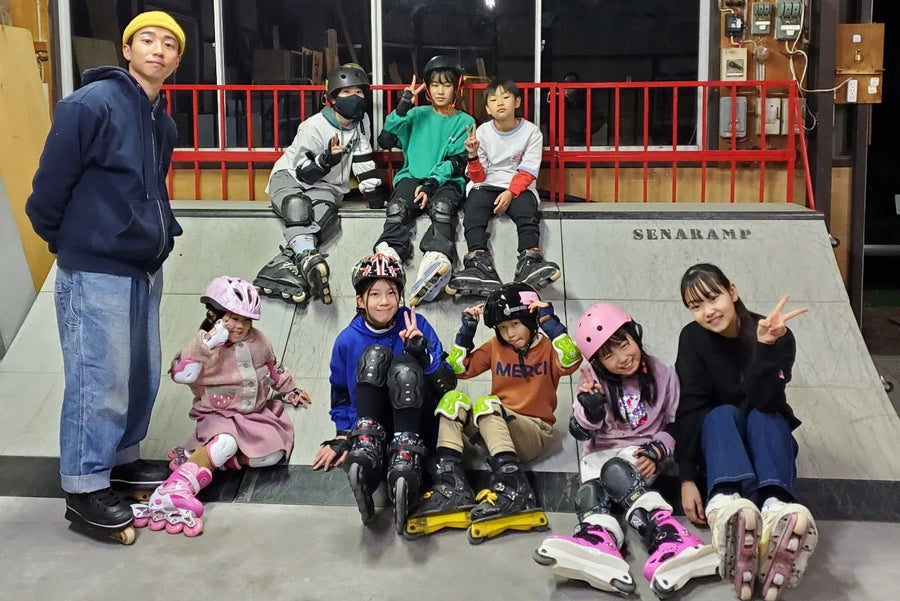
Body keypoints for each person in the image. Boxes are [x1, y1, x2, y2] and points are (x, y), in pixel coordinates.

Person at [25, 10, 186, 544]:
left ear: (177, 60)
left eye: (170, 44)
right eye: (147, 40)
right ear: (126, 49)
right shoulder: (90, 105)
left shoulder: (162, 120)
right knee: (101, 379)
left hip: (143, 268)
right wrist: (73, 243)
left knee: (138, 373)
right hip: (96, 267)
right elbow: (48, 192)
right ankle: (84, 484)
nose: (158, 50)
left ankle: (118, 462)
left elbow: (150, 193)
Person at [534, 304, 717, 596]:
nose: (622, 358)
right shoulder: (592, 380)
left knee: (615, 470)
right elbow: (581, 431)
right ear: (598, 362)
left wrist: (658, 450)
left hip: (641, 453)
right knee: (589, 494)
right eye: (609, 356)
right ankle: (598, 539)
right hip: (599, 454)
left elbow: (676, 423)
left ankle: (668, 533)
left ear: (635, 335)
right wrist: (591, 410)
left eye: (624, 345)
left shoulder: (663, 373)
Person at [674, 263, 818, 601]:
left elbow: (765, 399)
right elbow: (691, 407)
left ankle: (775, 510)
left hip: (767, 442)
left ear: (732, 292)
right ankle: (729, 507)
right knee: (720, 413)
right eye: (696, 306)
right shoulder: (692, 339)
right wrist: (686, 477)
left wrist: (766, 347)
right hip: (723, 449)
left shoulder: (775, 332)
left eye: (713, 297)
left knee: (764, 415)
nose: (708, 311)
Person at [132, 276, 310, 536]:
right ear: (214, 316)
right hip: (218, 415)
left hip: (253, 415)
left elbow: (274, 369)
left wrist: (289, 389)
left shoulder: (259, 342)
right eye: (232, 318)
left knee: (270, 457)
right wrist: (207, 345)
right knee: (225, 442)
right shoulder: (204, 346)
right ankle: (178, 486)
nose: (239, 326)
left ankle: (199, 457)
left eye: (245, 320)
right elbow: (181, 374)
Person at [310, 253, 457, 535]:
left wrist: (421, 352)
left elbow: (447, 385)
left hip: (416, 424)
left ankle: (406, 456)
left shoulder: (417, 323)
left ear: (400, 296)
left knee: (404, 367)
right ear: (360, 301)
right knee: (374, 356)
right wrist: (343, 435)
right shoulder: (346, 339)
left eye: (391, 293)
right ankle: (368, 451)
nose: (384, 301)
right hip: (374, 425)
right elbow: (340, 390)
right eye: (374, 294)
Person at [430, 282, 581, 541]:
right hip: (496, 426)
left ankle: (514, 488)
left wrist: (550, 323)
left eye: (515, 324)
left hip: (533, 431)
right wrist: (466, 332)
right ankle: (451, 485)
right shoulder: (495, 347)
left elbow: (572, 360)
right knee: (452, 400)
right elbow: (458, 368)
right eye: (502, 327)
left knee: (487, 404)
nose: (509, 333)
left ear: (530, 320)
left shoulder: (547, 349)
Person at [255, 63, 385, 306]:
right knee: (298, 206)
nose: (354, 97)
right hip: (290, 178)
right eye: (346, 92)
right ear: (332, 99)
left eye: (358, 92)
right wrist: (326, 160)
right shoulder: (313, 126)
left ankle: (285, 264)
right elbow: (303, 174)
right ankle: (306, 256)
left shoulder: (362, 122)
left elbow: (363, 156)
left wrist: (375, 196)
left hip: (327, 189)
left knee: (327, 218)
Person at [373, 55, 475, 306]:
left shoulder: (466, 121)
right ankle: (390, 253)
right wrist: (403, 106)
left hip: (447, 179)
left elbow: (457, 162)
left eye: (447, 84)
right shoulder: (416, 114)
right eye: (436, 85)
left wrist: (430, 184)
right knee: (397, 208)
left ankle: (437, 259)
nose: (441, 91)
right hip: (412, 175)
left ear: (456, 88)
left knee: (443, 208)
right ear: (427, 89)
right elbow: (385, 140)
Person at [447, 79, 559, 298]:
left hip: (518, 186)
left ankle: (530, 262)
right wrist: (471, 155)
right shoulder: (482, 133)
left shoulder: (531, 132)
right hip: (487, 184)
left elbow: (527, 172)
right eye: (493, 99)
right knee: (474, 208)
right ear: (487, 108)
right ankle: (478, 262)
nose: (500, 102)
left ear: (517, 101)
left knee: (527, 210)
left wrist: (510, 193)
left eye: (506, 97)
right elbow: (478, 177)